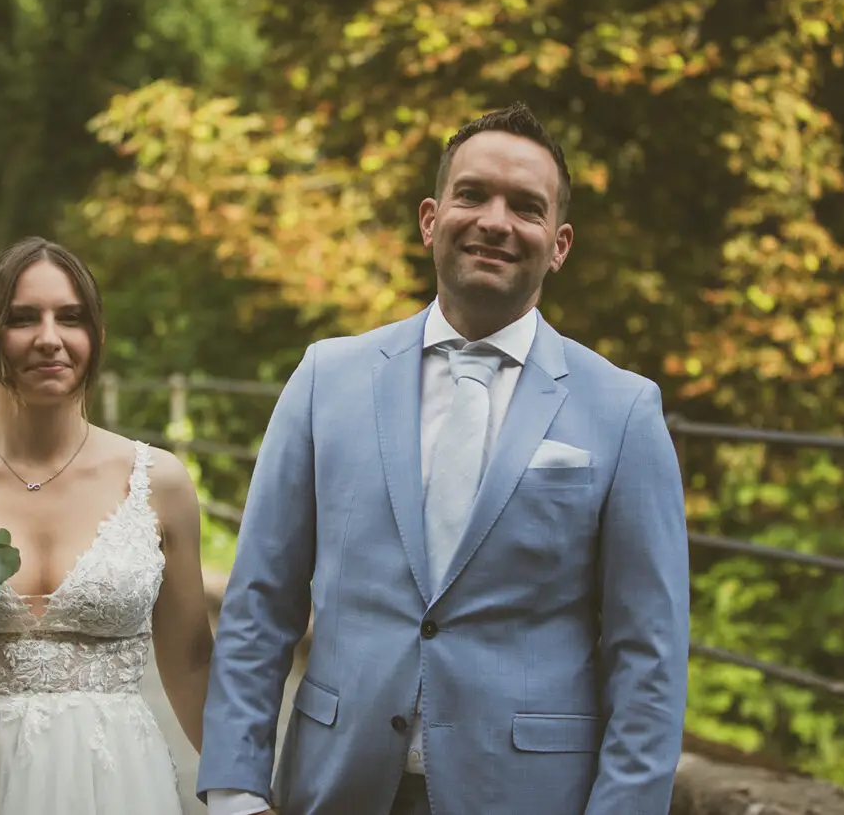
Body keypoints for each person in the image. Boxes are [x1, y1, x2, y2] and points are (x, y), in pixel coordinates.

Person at [196, 103, 690, 815]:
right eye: (473, 194)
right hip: (335, 786)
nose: (496, 220)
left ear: (559, 243)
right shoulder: (325, 378)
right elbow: (258, 605)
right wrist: (237, 790)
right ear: (431, 219)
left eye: (526, 206)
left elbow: (650, 656)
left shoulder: (624, 410)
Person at [0, 236, 214, 815]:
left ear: (96, 339)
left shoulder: (160, 482)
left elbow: (193, 661)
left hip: (114, 786)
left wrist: (243, 793)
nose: (50, 337)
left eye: (70, 318)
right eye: (24, 318)